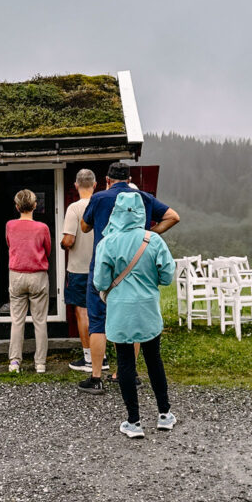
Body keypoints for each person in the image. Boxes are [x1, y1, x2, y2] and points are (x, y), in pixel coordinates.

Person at [78, 160, 180, 394]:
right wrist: (149, 234)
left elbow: (84, 227)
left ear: (107, 180)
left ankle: (96, 378)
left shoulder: (99, 198)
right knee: (133, 319)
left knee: (97, 322)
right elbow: (173, 216)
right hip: (137, 268)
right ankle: (126, 373)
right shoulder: (143, 198)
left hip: (104, 266)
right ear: (130, 180)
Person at [93, 190, 176, 437]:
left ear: (115, 213)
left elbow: (100, 281)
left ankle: (134, 422)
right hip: (148, 308)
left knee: (126, 362)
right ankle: (164, 415)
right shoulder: (153, 240)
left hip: (120, 310)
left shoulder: (107, 242)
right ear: (141, 212)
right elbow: (167, 276)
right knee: (154, 359)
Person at [6, 188, 52, 374]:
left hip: (16, 274)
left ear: (17, 206)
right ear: (35, 205)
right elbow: (47, 250)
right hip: (38, 275)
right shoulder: (42, 228)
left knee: (17, 320)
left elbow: (9, 244)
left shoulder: (10, 225)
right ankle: (40, 363)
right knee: (40, 321)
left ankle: (15, 362)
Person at [61, 168, 97, 371]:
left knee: (82, 312)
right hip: (101, 267)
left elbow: (69, 239)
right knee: (100, 311)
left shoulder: (74, 209)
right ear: (95, 184)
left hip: (79, 268)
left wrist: (61, 243)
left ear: (76, 186)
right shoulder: (101, 205)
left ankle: (88, 359)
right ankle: (102, 356)